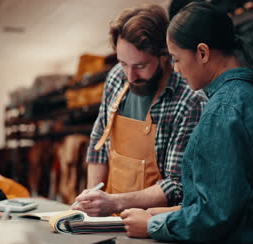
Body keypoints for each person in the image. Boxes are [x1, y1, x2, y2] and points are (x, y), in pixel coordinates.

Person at [120, 2, 253, 244]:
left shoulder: (224, 108)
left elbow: (216, 214)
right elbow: (232, 200)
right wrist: (166, 214)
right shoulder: (244, 96)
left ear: (202, 53)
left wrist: (152, 226)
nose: (176, 69)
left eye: (177, 59)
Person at [73, 4, 206, 217]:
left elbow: (176, 184)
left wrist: (115, 203)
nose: (130, 75)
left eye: (140, 66)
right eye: (123, 63)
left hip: (153, 224)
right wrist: (91, 202)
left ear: (165, 55)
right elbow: (98, 145)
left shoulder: (188, 100)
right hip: (108, 217)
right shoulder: (117, 77)